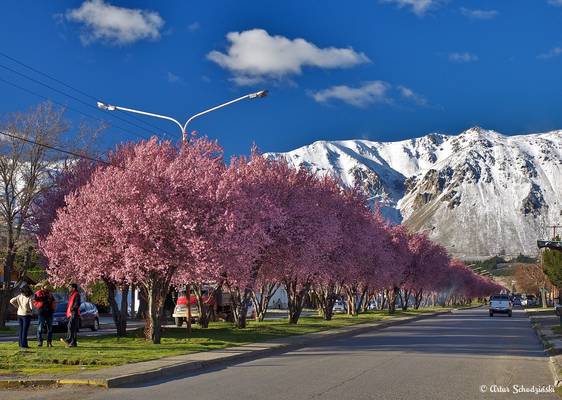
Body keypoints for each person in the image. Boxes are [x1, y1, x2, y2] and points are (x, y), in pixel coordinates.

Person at [33, 281, 56, 347]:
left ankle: (49, 342)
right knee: (40, 328)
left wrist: (53, 308)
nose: (48, 286)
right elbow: (35, 301)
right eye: (47, 285)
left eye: (48, 285)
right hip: (42, 312)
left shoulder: (50, 293)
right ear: (43, 286)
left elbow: (53, 301)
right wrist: (40, 304)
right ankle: (40, 341)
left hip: (49, 312)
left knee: (50, 328)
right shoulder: (38, 293)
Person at [60, 283, 80, 347]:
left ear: (74, 288)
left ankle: (69, 340)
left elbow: (77, 304)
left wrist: (72, 308)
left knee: (70, 326)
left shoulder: (76, 295)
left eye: (70, 287)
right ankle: (73, 343)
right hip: (71, 313)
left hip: (74, 312)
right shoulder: (72, 294)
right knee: (73, 328)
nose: (69, 288)